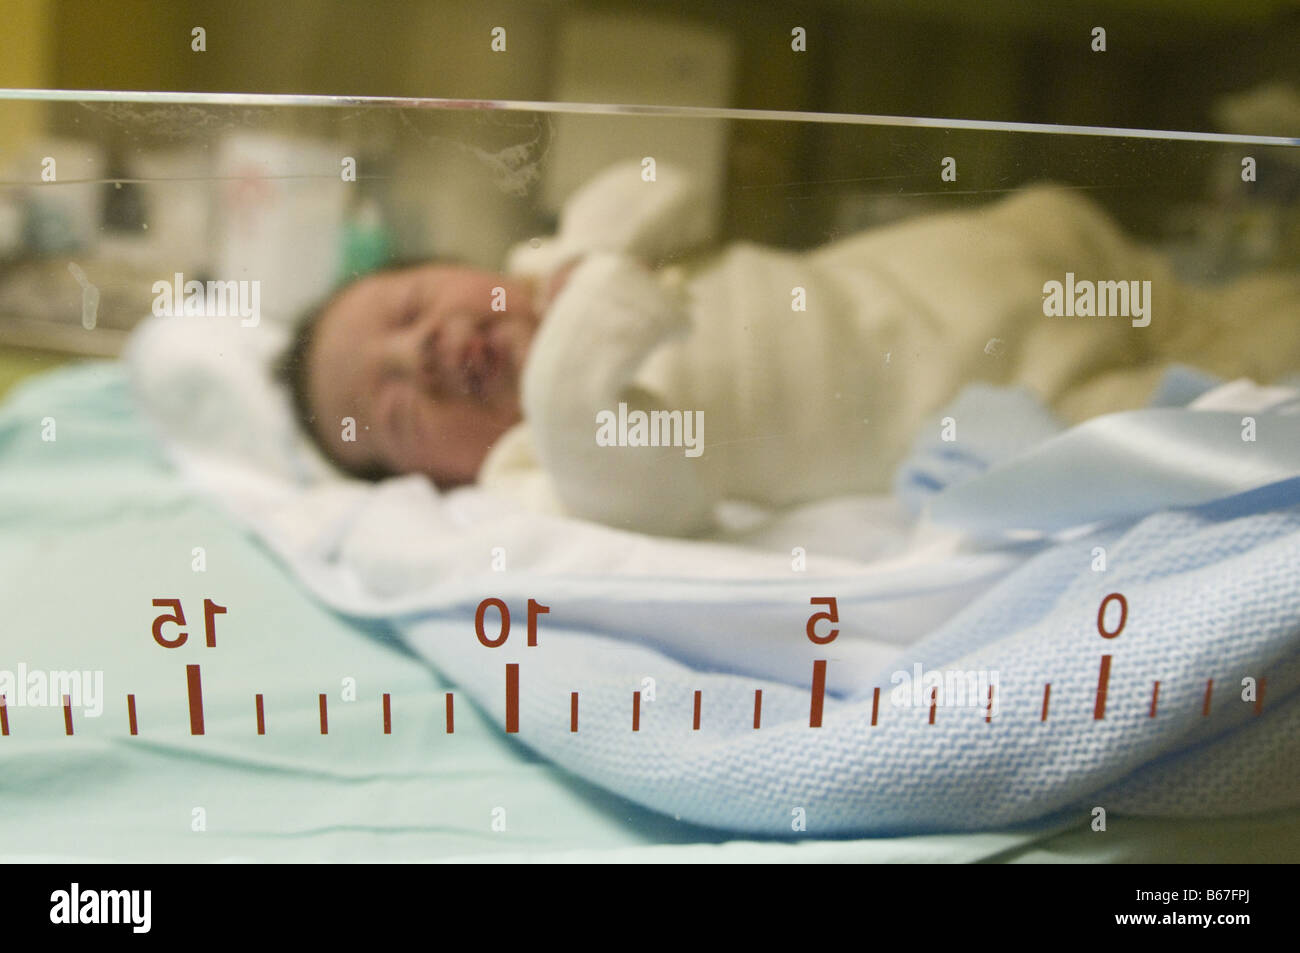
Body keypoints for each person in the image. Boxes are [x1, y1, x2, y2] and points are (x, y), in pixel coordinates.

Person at [277, 162, 1300, 536]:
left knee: (1201, 292)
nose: (423, 351)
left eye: (412, 305)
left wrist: (586, 263)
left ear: (462, 263)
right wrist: (567, 378)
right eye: (400, 409)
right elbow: (652, 497)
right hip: (1004, 381)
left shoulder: (565, 253)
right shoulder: (535, 465)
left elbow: (662, 180)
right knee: (1244, 365)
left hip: (967, 261)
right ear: (440, 481)